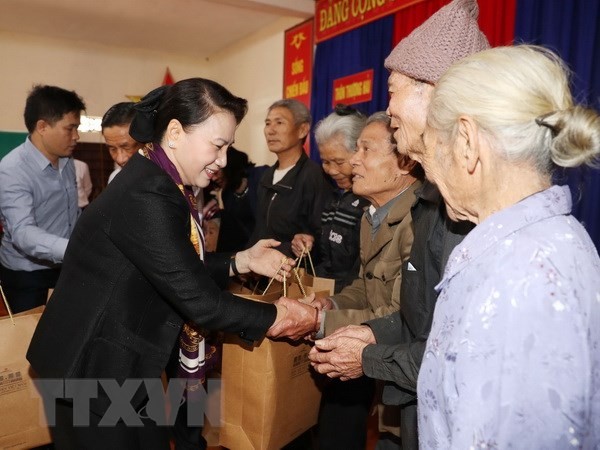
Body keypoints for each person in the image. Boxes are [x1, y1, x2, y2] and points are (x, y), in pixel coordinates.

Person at [26, 78, 318, 450]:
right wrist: (280, 316)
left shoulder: (160, 179)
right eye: (217, 145)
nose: (224, 160)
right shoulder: (147, 193)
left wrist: (240, 260)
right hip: (91, 369)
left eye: (229, 147)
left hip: (126, 361)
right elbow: (199, 301)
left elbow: (172, 266)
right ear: (176, 132)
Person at [308, 1, 488, 448]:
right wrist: (358, 330)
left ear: (436, 95)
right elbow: (417, 321)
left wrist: (364, 354)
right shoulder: (433, 204)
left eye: (394, 91)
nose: (388, 111)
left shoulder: (474, 214)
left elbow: (466, 354)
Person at [416, 44, 600, 449]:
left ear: (466, 141)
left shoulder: (521, 276)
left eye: (431, 149)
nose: (428, 173)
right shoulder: (536, 246)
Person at [313, 112, 422, 449]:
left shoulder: (419, 221)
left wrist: (320, 322)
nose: (353, 162)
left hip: (412, 377)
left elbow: (401, 312)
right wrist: (333, 303)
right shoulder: (371, 213)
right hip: (386, 371)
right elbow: (365, 285)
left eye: (365, 150)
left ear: (403, 162)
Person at [0, 85, 85, 313]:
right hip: (26, 276)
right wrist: (76, 248)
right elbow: (22, 232)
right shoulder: (13, 169)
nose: (76, 136)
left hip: (65, 266)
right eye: (70, 128)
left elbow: (71, 213)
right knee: (28, 343)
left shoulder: (66, 160)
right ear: (42, 127)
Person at [291, 104, 369, 293]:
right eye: (326, 162)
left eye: (339, 162)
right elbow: (329, 258)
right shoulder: (333, 195)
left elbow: (363, 277)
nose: (332, 170)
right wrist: (307, 244)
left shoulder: (370, 202)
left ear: (361, 153)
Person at [247, 98, 333, 258]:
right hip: (260, 273)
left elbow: (321, 235)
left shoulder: (314, 177)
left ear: (302, 130)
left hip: (293, 274)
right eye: (267, 123)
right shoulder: (266, 177)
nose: (270, 130)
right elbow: (258, 230)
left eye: (279, 123)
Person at [100, 102, 142, 183]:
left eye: (127, 147)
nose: (120, 159)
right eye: (112, 149)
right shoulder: (115, 179)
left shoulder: (169, 179)